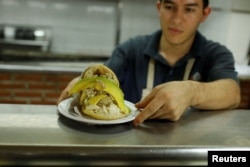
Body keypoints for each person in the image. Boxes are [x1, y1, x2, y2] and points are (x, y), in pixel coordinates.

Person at [57, 0, 241, 126]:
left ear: (204, 14)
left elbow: (232, 93)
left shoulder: (215, 54)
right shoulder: (131, 49)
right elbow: (103, 78)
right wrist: (82, 84)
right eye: (170, 6)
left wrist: (192, 92)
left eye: (190, 9)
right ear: (159, 7)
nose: (177, 19)